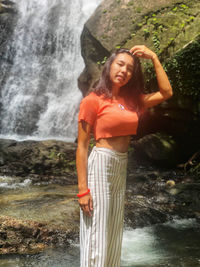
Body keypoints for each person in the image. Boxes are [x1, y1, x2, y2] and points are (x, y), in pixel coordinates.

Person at [76, 45, 173, 267]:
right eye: (120, 64)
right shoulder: (93, 100)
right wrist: (83, 190)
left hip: (121, 164)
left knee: (112, 233)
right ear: (109, 65)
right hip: (101, 162)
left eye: (130, 68)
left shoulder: (132, 101)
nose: (124, 71)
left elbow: (166, 93)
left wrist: (154, 58)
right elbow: (82, 146)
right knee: (97, 234)